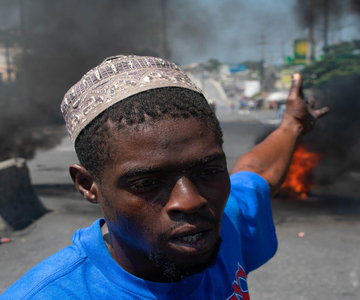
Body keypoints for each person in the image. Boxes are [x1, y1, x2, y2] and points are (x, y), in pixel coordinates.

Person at [1, 55, 328, 299]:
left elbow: (257, 172)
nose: (191, 201)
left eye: (208, 171)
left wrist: (292, 125)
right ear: (89, 186)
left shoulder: (225, 220)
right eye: (147, 183)